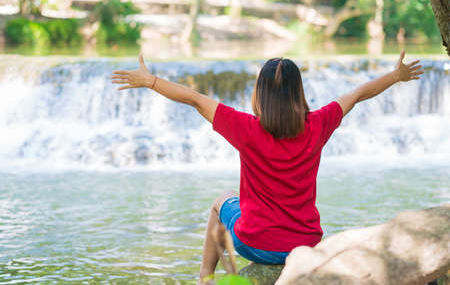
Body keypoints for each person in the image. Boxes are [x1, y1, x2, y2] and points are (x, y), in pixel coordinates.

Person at [111, 51, 423, 284]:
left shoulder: (246, 129)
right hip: (305, 245)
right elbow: (356, 95)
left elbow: (195, 99)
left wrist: (150, 81)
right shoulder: (318, 124)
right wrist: (396, 76)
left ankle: (205, 277)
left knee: (221, 201)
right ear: (298, 94)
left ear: (260, 95)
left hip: (254, 244)